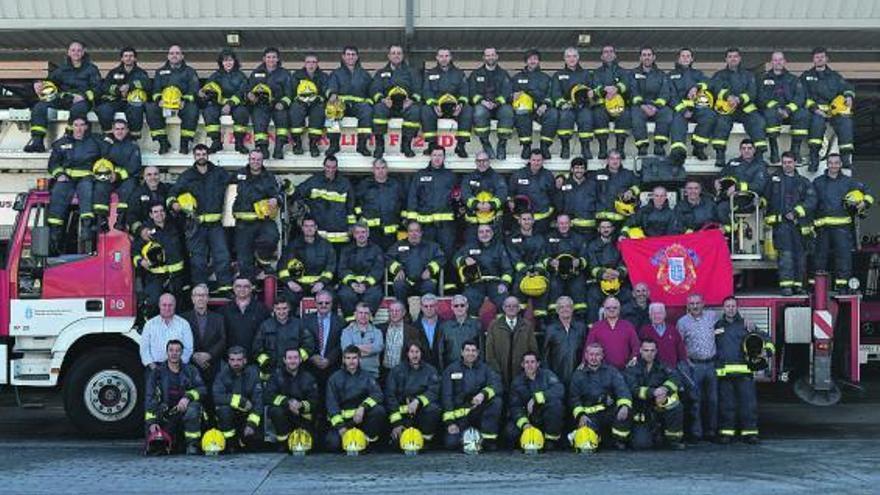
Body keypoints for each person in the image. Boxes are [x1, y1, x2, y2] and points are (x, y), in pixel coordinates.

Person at [168, 144, 233, 294]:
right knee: (198, 259)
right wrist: (173, 203)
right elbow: (173, 192)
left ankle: (225, 287)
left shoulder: (219, 173)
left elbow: (234, 183)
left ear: (208, 155)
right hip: (195, 224)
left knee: (222, 255)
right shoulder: (187, 176)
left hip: (216, 225)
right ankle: (200, 288)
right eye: (198, 154)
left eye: (204, 154)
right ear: (194, 156)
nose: (201, 156)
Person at [812, 153, 873, 293]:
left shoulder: (849, 182)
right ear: (827, 164)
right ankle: (817, 288)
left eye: (836, 163)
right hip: (822, 228)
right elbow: (811, 203)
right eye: (831, 162)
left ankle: (842, 286)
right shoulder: (818, 182)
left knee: (843, 258)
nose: (833, 165)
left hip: (843, 227)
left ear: (840, 164)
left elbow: (867, 191)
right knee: (819, 259)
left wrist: (865, 202)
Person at [24, 41, 101, 153]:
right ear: (68, 52)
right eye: (73, 50)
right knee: (39, 107)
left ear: (83, 52)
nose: (76, 53)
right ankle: (37, 141)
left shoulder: (91, 69)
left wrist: (83, 96)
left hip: (82, 101)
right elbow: (49, 82)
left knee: (77, 110)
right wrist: (38, 83)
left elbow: (98, 89)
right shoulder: (61, 69)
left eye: (79, 50)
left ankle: (70, 139)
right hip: (63, 99)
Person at [46, 115, 101, 254]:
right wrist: (59, 175)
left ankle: (87, 232)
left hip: (87, 177)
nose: (79, 128)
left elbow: (106, 157)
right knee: (58, 198)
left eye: (82, 125)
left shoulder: (96, 141)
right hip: (67, 178)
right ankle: (54, 239)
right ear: (71, 126)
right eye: (76, 125)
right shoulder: (61, 143)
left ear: (87, 127)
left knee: (87, 197)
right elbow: (53, 163)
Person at [764, 152, 817, 295]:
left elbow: (811, 201)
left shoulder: (804, 182)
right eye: (784, 162)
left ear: (795, 163)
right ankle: (786, 286)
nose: (787, 165)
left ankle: (798, 285)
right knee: (785, 256)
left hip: (799, 226)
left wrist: (796, 212)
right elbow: (765, 198)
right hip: (781, 226)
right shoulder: (774, 180)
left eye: (789, 162)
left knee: (800, 256)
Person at [143, 340, 205, 455]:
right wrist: (152, 422)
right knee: (159, 447)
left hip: (185, 411)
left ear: (182, 353)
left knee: (193, 408)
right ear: (167, 352)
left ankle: (192, 445)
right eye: (171, 350)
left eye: (177, 350)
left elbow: (202, 389)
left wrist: (187, 397)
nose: (174, 353)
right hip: (166, 414)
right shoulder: (156, 373)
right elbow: (150, 399)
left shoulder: (190, 370)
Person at [709, 47, 768, 166]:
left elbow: (752, 92)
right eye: (730, 57)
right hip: (727, 110)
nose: (733, 59)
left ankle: (760, 154)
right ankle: (720, 155)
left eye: (735, 56)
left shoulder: (749, 75)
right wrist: (728, 96)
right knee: (721, 123)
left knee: (757, 122)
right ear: (726, 59)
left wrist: (739, 99)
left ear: (740, 58)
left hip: (745, 109)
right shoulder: (719, 75)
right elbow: (716, 89)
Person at [715, 296, 762, 444]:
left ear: (737, 308)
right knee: (726, 405)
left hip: (744, 373)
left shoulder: (746, 325)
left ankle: (750, 433)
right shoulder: (717, 326)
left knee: (748, 405)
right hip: (724, 374)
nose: (730, 309)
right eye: (727, 306)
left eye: (733, 306)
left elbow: (763, 340)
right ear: (724, 308)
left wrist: (762, 353)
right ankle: (726, 433)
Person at [441, 340, 503, 451]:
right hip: (460, 416)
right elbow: (447, 397)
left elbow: (497, 385)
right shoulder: (451, 370)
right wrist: (450, 423)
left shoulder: (485, 369)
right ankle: (469, 439)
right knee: (451, 444)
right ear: (461, 352)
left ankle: (488, 440)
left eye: (474, 350)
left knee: (496, 401)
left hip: (479, 413)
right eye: (467, 350)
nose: (471, 353)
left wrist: (483, 394)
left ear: (478, 353)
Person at [623, 339, 685, 450]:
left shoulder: (662, 365)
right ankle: (652, 435)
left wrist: (665, 389)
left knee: (676, 405)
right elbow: (632, 389)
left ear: (656, 351)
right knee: (641, 445)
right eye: (646, 350)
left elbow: (676, 378)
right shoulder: (632, 368)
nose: (649, 353)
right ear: (640, 351)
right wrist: (653, 393)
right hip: (641, 409)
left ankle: (673, 440)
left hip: (658, 405)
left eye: (652, 350)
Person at [569, 342, 632, 450]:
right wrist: (580, 415)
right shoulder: (578, 375)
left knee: (625, 411)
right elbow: (574, 398)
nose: (594, 358)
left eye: (597, 355)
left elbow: (622, 389)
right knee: (587, 443)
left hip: (609, 412)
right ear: (586, 356)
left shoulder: (611, 372)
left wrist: (624, 406)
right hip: (589, 417)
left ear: (602, 356)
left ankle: (619, 441)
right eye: (591, 354)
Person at [801, 47, 855, 171]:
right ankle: (814, 158)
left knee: (846, 123)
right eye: (817, 57)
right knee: (816, 124)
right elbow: (803, 97)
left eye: (822, 57)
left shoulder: (834, 76)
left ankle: (845, 157)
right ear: (813, 60)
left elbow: (847, 87)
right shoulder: (806, 76)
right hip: (815, 111)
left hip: (833, 112)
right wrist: (815, 109)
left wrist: (848, 96)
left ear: (826, 59)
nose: (819, 59)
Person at [325, 345, 387, 452]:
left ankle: (367, 441)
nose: (351, 361)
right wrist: (340, 427)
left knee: (379, 411)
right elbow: (331, 405)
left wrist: (363, 407)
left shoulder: (367, 377)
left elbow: (378, 395)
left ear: (359, 359)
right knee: (332, 444)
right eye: (348, 358)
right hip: (343, 422)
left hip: (362, 420)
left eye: (354, 358)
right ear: (343, 360)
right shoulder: (334, 378)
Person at [676, 293, 719, 443]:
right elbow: (679, 345)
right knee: (695, 401)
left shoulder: (713, 317)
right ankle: (696, 433)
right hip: (694, 366)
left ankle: (712, 431)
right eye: (691, 304)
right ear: (687, 306)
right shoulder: (682, 322)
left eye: (697, 303)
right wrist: (687, 363)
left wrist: (746, 321)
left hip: (712, 365)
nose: (695, 306)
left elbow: (729, 321)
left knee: (713, 400)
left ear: (703, 303)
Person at [231, 150, 281, 280]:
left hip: (263, 220)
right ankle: (249, 287)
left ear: (262, 161)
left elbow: (277, 194)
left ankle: (263, 261)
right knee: (244, 259)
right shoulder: (239, 174)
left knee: (272, 237)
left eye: (258, 159)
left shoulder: (269, 177)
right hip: (242, 224)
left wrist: (276, 200)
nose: (255, 162)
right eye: (253, 159)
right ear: (249, 159)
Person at [145, 45, 200, 155]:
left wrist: (185, 100)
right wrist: (159, 99)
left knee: (192, 110)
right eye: (172, 53)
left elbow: (194, 89)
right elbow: (155, 89)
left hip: (182, 104)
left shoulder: (190, 72)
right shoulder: (160, 72)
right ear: (168, 56)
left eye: (177, 53)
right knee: (150, 108)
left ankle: (185, 143)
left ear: (182, 56)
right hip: (164, 104)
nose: (174, 55)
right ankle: (163, 142)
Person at [385, 342, 443, 446]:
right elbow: (390, 396)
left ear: (421, 353)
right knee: (398, 444)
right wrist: (396, 423)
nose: (414, 355)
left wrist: (418, 401)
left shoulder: (430, 370)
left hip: (422, 414)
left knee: (434, 409)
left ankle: (426, 439)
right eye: (411, 352)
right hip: (402, 416)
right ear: (407, 353)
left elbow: (434, 391)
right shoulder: (396, 371)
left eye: (417, 352)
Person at [132, 203, 186, 314]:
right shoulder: (146, 232)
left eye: (161, 211)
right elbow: (134, 251)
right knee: (153, 303)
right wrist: (140, 261)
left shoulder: (174, 226)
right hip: (155, 276)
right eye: (155, 212)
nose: (159, 214)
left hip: (177, 275)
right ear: (151, 215)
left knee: (179, 306)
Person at [370, 44, 422, 158]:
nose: (396, 55)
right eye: (393, 53)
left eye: (399, 53)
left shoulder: (412, 72)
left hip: (406, 105)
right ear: (389, 56)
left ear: (403, 56)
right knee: (378, 109)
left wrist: (412, 100)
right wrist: (381, 99)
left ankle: (406, 145)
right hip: (387, 105)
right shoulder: (381, 73)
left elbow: (418, 89)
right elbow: (375, 89)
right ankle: (379, 145)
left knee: (415, 111)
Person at [406, 144, 458, 258]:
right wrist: (412, 222)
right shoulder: (420, 175)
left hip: (446, 227)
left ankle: (447, 276)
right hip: (425, 225)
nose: (437, 158)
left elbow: (457, 198)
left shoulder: (450, 176)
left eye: (440, 155)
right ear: (430, 156)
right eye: (434, 155)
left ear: (444, 157)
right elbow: (413, 198)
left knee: (447, 254)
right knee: (426, 254)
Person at [757, 51, 809, 164]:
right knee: (769, 114)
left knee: (803, 114)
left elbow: (800, 97)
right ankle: (774, 151)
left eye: (780, 60)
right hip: (773, 111)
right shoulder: (763, 79)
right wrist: (776, 108)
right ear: (771, 62)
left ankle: (795, 150)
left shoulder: (793, 79)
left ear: (785, 61)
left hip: (790, 112)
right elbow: (761, 97)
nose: (778, 62)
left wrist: (788, 109)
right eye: (775, 60)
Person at [294, 154, 355, 249]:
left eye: (333, 167)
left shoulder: (345, 183)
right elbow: (297, 193)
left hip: (340, 234)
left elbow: (350, 207)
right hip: (319, 234)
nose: (330, 170)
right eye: (328, 167)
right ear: (324, 166)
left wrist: (352, 226)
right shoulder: (314, 181)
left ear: (337, 167)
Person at [506, 351, 565, 450]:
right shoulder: (517, 382)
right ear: (522, 364)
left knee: (556, 405)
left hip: (545, 416)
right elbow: (515, 407)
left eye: (532, 362)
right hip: (527, 416)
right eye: (527, 362)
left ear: (538, 364)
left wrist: (536, 398)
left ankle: (550, 441)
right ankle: (526, 440)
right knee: (510, 433)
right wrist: (525, 424)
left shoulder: (547, 375)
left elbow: (559, 390)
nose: (530, 365)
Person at [266, 347, 321, 451]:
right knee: (275, 410)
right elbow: (268, 396)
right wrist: (288, 403)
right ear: (284, 360)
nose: (292, 361)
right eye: (290, 358)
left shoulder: (309, 377)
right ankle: (282, 442)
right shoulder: (276, 376)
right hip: (284, 416)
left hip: (302, 417)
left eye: (295, 358)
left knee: (311, 446)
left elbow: (315, 401)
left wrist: (300, 406)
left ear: (300, 360)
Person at [421, 47, 472, 158]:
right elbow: (426, 91)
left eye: (446, 56)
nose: (444, 59)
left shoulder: (459, 73)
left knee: (467, 109)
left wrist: (461, 104)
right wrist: (434, 105)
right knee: (425, 109)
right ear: (437, 58)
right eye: (441, 56)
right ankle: (432, 144)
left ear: (450, 57)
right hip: (437, 107)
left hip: (455, 108)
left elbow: (464, 91)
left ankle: (461, 145)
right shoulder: (430, 73)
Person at [278, 216, 337, 310]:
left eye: (312, 226)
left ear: (316, 227)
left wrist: (322, 282)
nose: (309, 229)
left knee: (330, 297)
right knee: (287, 299)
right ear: (302, 228)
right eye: (306, 226)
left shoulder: (326, 245)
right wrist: (289, 282)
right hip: (298, 284)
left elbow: (330, 267)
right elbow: (283, 267)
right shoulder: (293, 245)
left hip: (320, 284)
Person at [213, 346, 264, 452]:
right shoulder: (222, 375)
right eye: (232, 360)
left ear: (245, 360)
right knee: (223, 410)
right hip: (230, 416)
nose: (235, 363)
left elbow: (259, 401)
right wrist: (240, 401)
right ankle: (230, 443)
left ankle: (246, 439)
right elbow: (216, 396)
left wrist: (252, 424)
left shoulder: (253, 374)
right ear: (228, 360)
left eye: (239, 360)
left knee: (254, 445)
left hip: (248, 416)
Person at [93, 119, 141, 232]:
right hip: (108, 177)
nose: (120, 132)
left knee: (128, 188)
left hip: (126, 178)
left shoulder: (133, 146)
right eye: (117, 129)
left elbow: (134, 166)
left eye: (122, 129)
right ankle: (102, 220)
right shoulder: (106, 143)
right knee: (100, 188)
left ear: (127, 130)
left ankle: (121, 220)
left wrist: (118, 176)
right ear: (112, 130)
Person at [668, 47, 714, 164]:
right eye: (683, 56)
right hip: (679, 109)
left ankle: (698, 148)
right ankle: (678, 151)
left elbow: (709, 83)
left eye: (688, 56)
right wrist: (683, 110)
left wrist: (696, 87)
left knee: (709, 115)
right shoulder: (671, 75)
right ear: (678, 59)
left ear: (692, 59)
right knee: (677, 123)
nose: (685, 58)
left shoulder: (697, 74)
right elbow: (670, 95)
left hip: (697, 108)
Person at [454, 224, 512, 316]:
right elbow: (455, 259)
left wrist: (504, 284)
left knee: (505, 302)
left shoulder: (499, 247)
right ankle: (472, 328)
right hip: (475, 283)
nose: (484, 234)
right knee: (469, 302)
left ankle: (501, 327)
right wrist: (464, 259)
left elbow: (507, 269)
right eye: (481, 232)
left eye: (487, 231)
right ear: (477, 234)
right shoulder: (470, 246)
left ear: (492, 233)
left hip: (495, 283)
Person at [325, 46, 373, 157]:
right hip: (341, 104)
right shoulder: (336, 73)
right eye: (348, 54)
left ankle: (362, 144)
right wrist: (332, 94)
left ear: (357, 57)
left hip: (359, 106)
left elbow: (371, 90)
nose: (350, 57)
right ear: (343, 57)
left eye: (353, 54)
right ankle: (333, 144)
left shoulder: (364, 74)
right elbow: (330, 87)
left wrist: (370, 102)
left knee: (367, 110)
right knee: (332, 108)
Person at [246, 47, 293, 159]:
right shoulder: (256, 73)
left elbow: (290, 93)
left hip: (278, 104)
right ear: (264, 59)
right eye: (268, 57)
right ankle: (263, 149)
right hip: (261, 104)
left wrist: (283, 103)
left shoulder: (285, 74)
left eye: (273, 57)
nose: (271, 59)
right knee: (258, 119)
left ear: (278, 59)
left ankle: (279, 148)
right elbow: (248, 88)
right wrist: (249, 95)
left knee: (282, 118)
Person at [252, 297, 315, 381]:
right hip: (272, 372)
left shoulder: (299, 324)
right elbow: (256, 348)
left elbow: (309, 345)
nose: (281, 312)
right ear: (273, 309)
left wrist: (296, 360)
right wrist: (266, 362)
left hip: (295, 372)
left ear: (289, 309)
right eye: (278, 309)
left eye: (284, 308)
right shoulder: (265, 326)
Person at [511, 49, 558, 160]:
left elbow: (551, 93)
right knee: (522, 113)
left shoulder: (545, 78)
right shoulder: (517, 77)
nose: (533, 61)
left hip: (541, 109)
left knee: (553, 114)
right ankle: (526, 146)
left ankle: (545, 146)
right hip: (523, 110)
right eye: (530, 59)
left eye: (535, 59)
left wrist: (545, 104)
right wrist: (513, 95)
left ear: (539, 61)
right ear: (526, 61)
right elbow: (509, 93)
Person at [201, 48, 250, 154]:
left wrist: (229, 104)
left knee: (242, 113)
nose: (228, 63)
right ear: (221, 62)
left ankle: (239, 143)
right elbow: (208, 88)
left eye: (230, 60)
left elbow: (241, 92)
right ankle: (216, 142)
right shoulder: (215, 75)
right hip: (218, 104)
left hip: (236, 104)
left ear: (235, 62)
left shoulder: (240, 76)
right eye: (225, 60)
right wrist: (203, 92)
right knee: (209, 112)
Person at [95, 46, 150, 139]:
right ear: (122, 58)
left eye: (131, 56)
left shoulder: (141, 73)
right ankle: (109, 136)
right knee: (103, 110)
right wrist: (118, 89)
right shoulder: (114, 72)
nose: (128, 58)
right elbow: (105, 87)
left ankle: (133, 138)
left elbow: (147, 85)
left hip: (133, 102)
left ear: (135, 58)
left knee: (136, 111)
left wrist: (130, 86)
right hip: (115, 100)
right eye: (126, 56)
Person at [469, 47, 514, 160]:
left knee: (508, 111)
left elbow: (507, 92)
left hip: (499, 107)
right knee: (479, 112)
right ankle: (485, 143)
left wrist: (497, 102)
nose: (490, 57)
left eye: (492, 55)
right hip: (483, 106)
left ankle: (502, 144)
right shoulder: (476, 74)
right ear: (484, 57)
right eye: (488, 55)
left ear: (497, 56)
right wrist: (482, 101)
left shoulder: (503, 74)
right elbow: (471, 92)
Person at [552, 46, 595, 160]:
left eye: (574, 56)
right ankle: (565, 147)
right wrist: (563, 104)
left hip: (583, 106)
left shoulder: (587, 74)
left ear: (578, 58)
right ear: (564, 59)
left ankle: (585, 147)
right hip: (567, 107)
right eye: (568, 56)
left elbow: (592, 90)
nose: (571, 59)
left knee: (587, 118)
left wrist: (591, 96)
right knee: (565, 117)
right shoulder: (558, 75)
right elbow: (555, 93)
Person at [485, 296, 538, 387]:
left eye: (514, 306)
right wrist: (496, 369)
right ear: (503, 308)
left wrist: (526, 368)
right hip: (500, 371)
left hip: (521, 372)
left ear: (519, 308)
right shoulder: (494, 325)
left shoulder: (527, 326)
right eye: (508, 306)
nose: (511, 308)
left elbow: (533, 349)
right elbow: (489, 350)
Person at [355, 158, 407, 250]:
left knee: (390, 257)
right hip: (371, 232)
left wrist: (402, 220)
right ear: (373, 170)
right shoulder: (365, 185)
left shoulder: (395, 185)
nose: (380, 171)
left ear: (387, 169)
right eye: (377, 168)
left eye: (383, 168)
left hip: (391, 232)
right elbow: (356, 203)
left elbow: (403, 204)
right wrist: (360, 217)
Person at [386, 221, 445, 303]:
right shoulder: (399, 245)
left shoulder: (431, 246)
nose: (414, 234)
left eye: (416, 231)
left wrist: (430, 269)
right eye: (411, 231)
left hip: (424, 282)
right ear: (407, 233)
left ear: (421, 233)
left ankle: (425, 314)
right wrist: (398, 269)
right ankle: (404, 313)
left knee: (430, 285)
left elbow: (441, 258)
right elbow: (388, 258)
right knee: (398, 285)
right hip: (405, 281)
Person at [630, 46, 673, 157]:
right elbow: (633, 91)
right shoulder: (633, 74)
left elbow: (665, 93)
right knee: (635, 115)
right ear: (640, 58)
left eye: (649, 55)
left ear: (654, 57)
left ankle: (659, 145)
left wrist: (656, 106)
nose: (647, 57)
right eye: (644, 55)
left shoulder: (661, 75)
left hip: (657, 107)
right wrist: (642, 105)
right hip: (640, 106)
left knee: (667, 113)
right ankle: (642, 146)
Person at [181, 284, 227, 387]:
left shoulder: (218, 318)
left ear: (208, 298)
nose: (200, 298)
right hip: (190, 366)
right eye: (197, 295)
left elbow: (223, 340)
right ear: (192, 298)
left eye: (204, 295)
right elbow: (180, 340)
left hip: (212, 365)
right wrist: (193, 355)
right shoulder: (182, 318)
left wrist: (209, 355)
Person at [337, 222, 385, 320]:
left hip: (370, 285)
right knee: (345, 295)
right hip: (350, 285)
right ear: (354, 235)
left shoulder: (376, 249)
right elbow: (342, 269)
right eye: (358, 232)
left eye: (363, 232)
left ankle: (367, 322)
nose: (361, 235)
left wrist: (365, 284)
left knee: (375, 295)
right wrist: (352, 283)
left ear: (368, 234)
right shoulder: (346, 250)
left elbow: (378, 270)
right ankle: (350, 322)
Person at [591, 44, 632, 159]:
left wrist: (616, 89)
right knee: (598, 114)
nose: (608, 54)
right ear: (601, 56)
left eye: (610, 51)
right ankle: (603, 148)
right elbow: (595, 87)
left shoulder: (624, 72)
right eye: (605, 52)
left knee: (625, 115)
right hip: (602, 107)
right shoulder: (596, 73)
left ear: (615, 55)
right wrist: (604, 90)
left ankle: (620, 148)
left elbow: (626, 85)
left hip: (619, 106)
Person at [506, 211, 548, 317]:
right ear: (519, 221)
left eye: (529, 219)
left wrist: (537, 271)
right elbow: (514, 258)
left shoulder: (540, 238)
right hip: (520, 274)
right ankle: (518, 322)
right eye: (524, 219)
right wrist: (526, 271)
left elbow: (543, 256)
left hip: (539, 273)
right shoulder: (511, 239)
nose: (526, 222)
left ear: (533, 221)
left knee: (542, 297)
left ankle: (541, 323)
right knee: (519, 303)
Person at [544, 214, 588, 315]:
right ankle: (554, 318)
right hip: (555, 274)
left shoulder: (579, 238)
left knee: (579, 289)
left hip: (575, 273)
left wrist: (579, 262)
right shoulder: (549, 238)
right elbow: (544, 256)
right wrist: (550, 262)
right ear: (556, 224)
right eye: (561, 223)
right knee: (554, 288)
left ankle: (579, 317)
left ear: (570, 224)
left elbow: (585, 257)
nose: (563, 226)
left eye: (566, 223)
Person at [586, 220, 629, 323]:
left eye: (608, 227)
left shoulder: (619, 244)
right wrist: (602, 274)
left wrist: (619, 272)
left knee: (628, 297)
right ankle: (593, 329)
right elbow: (592, 265)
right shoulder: (592, 245)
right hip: (598, 283)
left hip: (618, 282)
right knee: (592, 298)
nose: (606, 229)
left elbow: (625, 261)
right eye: (603, 227)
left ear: (613, 229)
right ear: (598, 229)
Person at [460, 151, 509, 240]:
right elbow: (465, 194)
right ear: (475, 162)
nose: (481, 163)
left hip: (494, 223)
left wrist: (491, 205)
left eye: (484, 160)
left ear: (489, 161)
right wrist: (476, 204)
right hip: (473, 223)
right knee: (472, 247)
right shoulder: (468, 178)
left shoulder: (497, 178)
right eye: (479, 161)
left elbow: (502, 193)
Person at [507, 149, 557, 234]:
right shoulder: (518, 174)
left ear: (542, 161)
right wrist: (510, 201)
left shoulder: (548, 175)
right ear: (529, 160)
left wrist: (551, 215)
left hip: (542, 218)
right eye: (534, 160)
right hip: (522, 219)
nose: (536, 163)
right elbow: (510, 192)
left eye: (539, 160)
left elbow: (553, 196)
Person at [289, 53, 329, 157]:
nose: (311, 65)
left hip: (316, 103)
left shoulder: (323, 76)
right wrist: (299, 99)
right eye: (308, 62)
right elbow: (291, 91)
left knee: (319, 111)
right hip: (300, 103)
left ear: (317, 64)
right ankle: (297, 143)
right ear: (304, 64)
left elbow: (326, 91)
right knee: (295, 110)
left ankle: (313, 144)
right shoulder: (296, 76)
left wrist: (319, 98)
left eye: (314, 62)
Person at [542, 296, 587, 385]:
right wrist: (549, 376)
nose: (565, 309)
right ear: (557, 310)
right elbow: (545, 355)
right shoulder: (550, 329)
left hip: (578, 375)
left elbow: (585, 349)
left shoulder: (581, 328)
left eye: (568, 306)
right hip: (556, 376)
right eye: (561, 307)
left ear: (572, 309)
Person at [139, 293, 193, 368]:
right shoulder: (149, 325)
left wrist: (176, 366)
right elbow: (144, 350)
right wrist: (153, 367)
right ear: (159, 305)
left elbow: (188, 349)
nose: (167, 308)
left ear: (175, 305)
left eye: (170, 305)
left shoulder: (184, 324)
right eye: (164, 305)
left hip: (178, 367)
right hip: (155, 367)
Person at [220, 277, 270, 357]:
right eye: (238, 286)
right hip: (231, 360)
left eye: (246, 286)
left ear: (251, 288)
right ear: (233, 288)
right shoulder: (224, 311)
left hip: (255, 359)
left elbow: (268, 336)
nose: (242, 289)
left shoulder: (262, 309)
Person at [304, 291, 346, 386]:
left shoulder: (340, 322)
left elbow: (340, 345)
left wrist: (329, 360)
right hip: (310, 367)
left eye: (327, 303)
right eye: (320, 303)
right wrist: (312, 357)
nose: (324, 305)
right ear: (315, 304)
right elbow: (302, 342)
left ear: (332, 303)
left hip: (333, 368)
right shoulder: (305, 320)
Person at [587, 296, 640, 370]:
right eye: (608, 308)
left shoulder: (628, 326)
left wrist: (634, 357)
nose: (611, 310)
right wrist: (584, 363)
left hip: (625, 370)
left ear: (619, 309)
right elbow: (589, 347)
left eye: (615, 308)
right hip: (602, 371)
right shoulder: (596, 327)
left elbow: (636, 346)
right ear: (604, 309)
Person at [592, 150, 641, 227]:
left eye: (618, 158)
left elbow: (639, 186)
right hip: (601, 220)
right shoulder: (597, 174)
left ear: (621, 160)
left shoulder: (628, 175)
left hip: (621, 219)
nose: (615, 161)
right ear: (607, 160)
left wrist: (631, 191)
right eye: (612, 158)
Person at [556, 157, 599, 239]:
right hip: (571, 228)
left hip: (589, 228)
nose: (579, 170)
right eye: (576, 168)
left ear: (586, 170)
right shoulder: (564, 184)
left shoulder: (593, 184)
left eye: (582, 168)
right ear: (572, 169)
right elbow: (559, 204)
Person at [341, 304, 385, 379]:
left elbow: (377, 348)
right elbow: (347, 349)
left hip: (371, 373)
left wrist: (355, 347)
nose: (363, 316)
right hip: (349, 373)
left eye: (366, 313)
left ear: (370, 315)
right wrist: (368, 350)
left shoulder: (377, 332)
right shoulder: (346, 331)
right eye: (360, 313)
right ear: (355, 314)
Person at [438, 295, 482, 370]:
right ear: (452, 307)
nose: (459, 308)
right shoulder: (445, 327)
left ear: (467, 306)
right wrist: (443, 370)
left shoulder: (476, 325)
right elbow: (440, 352)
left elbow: (481, 349)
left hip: (472, 368)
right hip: (451, 368)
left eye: (462, 305)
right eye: (456, 306)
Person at [638, 303, 687, 369]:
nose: (657, 316)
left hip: (672, 370)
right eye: (654, 314)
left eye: (659, 313)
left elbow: (681, 351)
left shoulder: (673, 330)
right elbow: (640, 351)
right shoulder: (644, 331)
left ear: (664, 315)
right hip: (652, 372)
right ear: (650, 316)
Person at [379, 300, 421, 376]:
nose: (394, 313)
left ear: (403, 313)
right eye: (391, 311)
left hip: (403, 373)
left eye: (397, 311)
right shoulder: (380, 329)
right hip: (384, 372)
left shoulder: (412, 331)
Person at [126, 166, 170, 237]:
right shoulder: (137, 194)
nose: (153, 177)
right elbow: (131, 216)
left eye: (155, 174)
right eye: (149, 175)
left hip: (167, 229)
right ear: (144, 177)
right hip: (146, 230)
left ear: (159, 176)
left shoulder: (167, 190)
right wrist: (141, 230)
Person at [411, 294, 445, 369]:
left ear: (436, 306)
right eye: (426, 306)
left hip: (441, 368)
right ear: (421, 307)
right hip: (420, 369)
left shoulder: (445, 325)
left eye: (431, 306)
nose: (428, 309)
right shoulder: (413, 327)